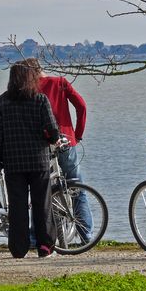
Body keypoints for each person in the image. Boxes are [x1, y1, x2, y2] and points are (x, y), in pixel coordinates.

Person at [0, 60, 60, 258]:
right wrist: (52, 140)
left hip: (13, 162)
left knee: (17, 207)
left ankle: (18, 248)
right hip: (38, 160)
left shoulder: (3, 101)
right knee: (42, 205)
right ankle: (45, 246)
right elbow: (52, 129)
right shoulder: (40, 100)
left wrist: (1, 155)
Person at [25, 58, 93, 242]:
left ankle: (36, 237)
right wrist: (77, 134)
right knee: (76, 186)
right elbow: (82, 106)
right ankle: (86, 234)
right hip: (66, 140)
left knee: (39, 190)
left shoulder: (28, 89)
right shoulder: (61, 83)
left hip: (40, 144)